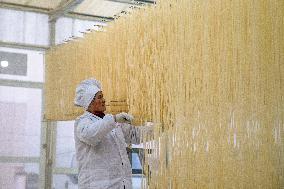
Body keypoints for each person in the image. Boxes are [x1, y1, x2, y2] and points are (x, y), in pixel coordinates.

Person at [74, 78, 152, 189]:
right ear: (89, 102)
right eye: (99, 97)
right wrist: (114, 119)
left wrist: (161, 128)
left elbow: (136, 135)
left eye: (103, 96)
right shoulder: (82, 122)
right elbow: (91, 135)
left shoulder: (111, 122)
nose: (104, 100)